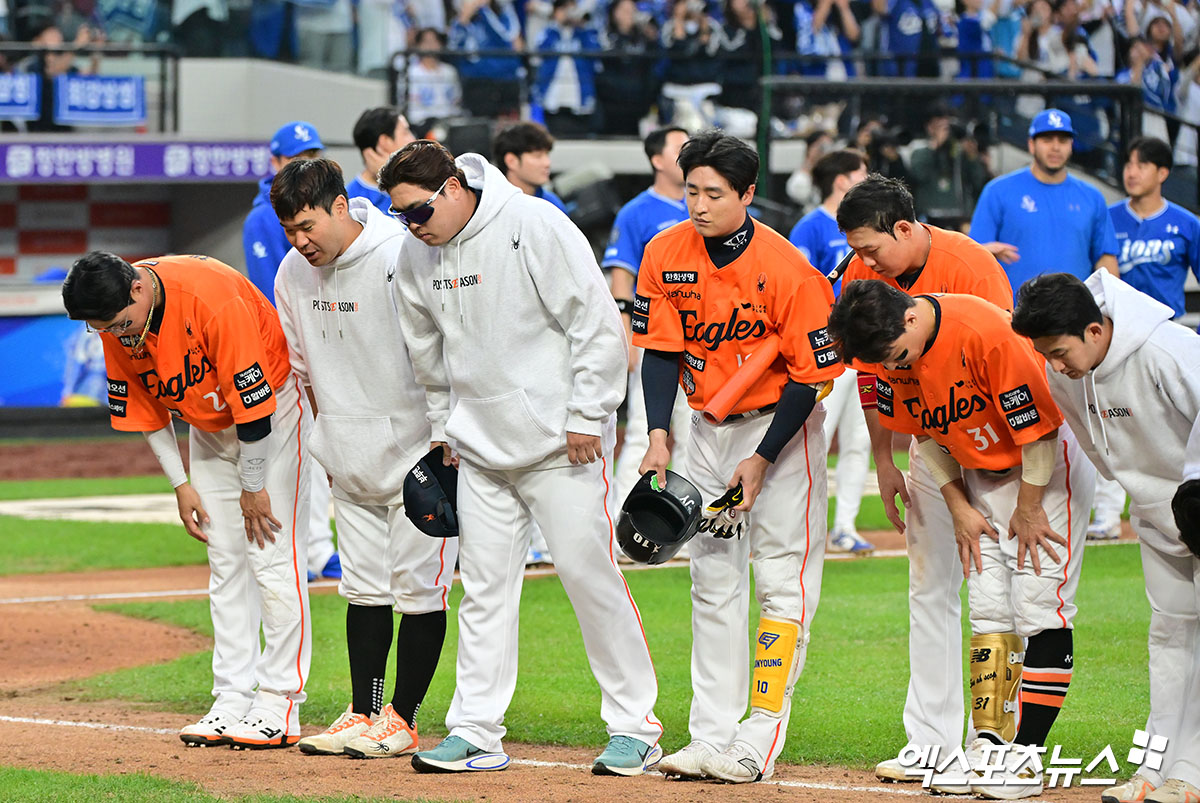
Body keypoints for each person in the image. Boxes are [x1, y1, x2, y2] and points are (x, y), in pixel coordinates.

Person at [377, 139, 663, 776]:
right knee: (481, 590)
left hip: (563, 441)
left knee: (590, 577)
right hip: (478, 446)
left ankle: (635, 726)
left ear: (453, 188)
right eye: (400, 216)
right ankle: (476, 730)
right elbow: (426, 353)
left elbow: (593, 323)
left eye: (418, 212)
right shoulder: (414, 253)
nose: (411, 227)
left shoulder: (532, 223)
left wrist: (590, 414)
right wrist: (441, 428)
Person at [829, 280, 1094, 799]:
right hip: (978, 475)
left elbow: (1038, 430)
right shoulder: (893, 354)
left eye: (892, 357)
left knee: (1039, 606)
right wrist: (958, 506)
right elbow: (925, 434)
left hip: (1042, 473)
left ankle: (1027, 758)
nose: (893, 367)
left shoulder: (983, 332)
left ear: (909, 319)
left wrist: (1030, 506)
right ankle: (990, 743)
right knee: (991, 611)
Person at [635, 129, 843, 783]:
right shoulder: (664, 252)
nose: (698, 204)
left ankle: (758, 736)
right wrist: (658, 434)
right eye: (691, 189)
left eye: (714, 193)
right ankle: (710, 733)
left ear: (748, 194)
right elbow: (662, 349)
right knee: (713, 581)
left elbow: (810, 378)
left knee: (782, 584)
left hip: (784, 432)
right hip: (704, 430)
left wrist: (762, 457)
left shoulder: (788, 269)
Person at [61, 251, 313, 749]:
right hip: (207, 427)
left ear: (137, 289)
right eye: (101, 330)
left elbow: (255, 408)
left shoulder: (210, 297)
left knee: (271, 557)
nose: (114, 335)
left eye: (115, 324)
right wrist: (181, 483)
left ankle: (280, 701)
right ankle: (232, 696)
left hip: (271, 420)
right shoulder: (118, 319)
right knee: (224, 560)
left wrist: (254, 485)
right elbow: (145, 411)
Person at [269, 158, 457, 760]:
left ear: (340, 205)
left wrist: (442, 441)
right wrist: (328, 444)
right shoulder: (293, 273)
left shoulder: (400, 255)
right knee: (363, 591)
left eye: (307, 226)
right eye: (289, 232)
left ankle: (402, 718)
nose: (301, 242)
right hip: (346, 458)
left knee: (419, 592)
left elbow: (443, 352)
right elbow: (301, 372)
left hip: (416, 458)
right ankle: (364, 710)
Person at [833, 175, 1014, 789]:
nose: (864, 261)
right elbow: (872, 378)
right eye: (856, 250)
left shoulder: (970, 267)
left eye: (872, 248)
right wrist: (885, 460)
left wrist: (975, 482)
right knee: (928, 585)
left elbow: (1004, 367)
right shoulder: (867, 282)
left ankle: (997, 748)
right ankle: (931, 743)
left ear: (904, 229)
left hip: (996, 449)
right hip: (929, 443)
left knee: (997, 596)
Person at [1013, 270, 1200, 803]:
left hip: (1198, 505)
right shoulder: (1066, 375)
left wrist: (1197, 488)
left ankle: (1193, 771)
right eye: (1044, 353)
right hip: (1159, 517)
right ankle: (1156, 766)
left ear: (1096, 330)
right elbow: (1101, 451)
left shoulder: (1168, 350)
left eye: (1060, 350)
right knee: (1169, 638)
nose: (1054, 365)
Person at [242, 120, 340, 583]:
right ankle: (315, 551)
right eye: (295, 155)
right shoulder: (263, 216)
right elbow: (269, 294)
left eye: (312, 152)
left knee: (320, 452)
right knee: (308, 454)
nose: (304, 160)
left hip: (322, 347)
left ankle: (317, 548)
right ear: (274, 162)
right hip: (286, 356)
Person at [1091, 137, 1200, 542]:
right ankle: (1105, 514)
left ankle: (1181, 508)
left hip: (1166, 337)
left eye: (1142, 164)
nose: (1131, 171)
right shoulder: (1106, 217)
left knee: (1171, 431)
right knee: (1111, 424)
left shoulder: (1186, 224)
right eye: (1128, 164)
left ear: (1163, 173)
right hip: (1113, 339)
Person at [603, 126, 693, 526]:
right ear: (657, 159)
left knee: (696, 437)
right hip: (655, 338)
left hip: (702, 345)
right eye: (678, 147)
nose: (686, 153)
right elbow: (621, 274)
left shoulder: (701, 206)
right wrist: (627, 334)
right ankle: (623, 520)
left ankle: (690, 523)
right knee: (643, 430)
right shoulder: (638, 210)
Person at [787, 148, 874, 555]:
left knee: (860, 441)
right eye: (861, 171)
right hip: (829, 349)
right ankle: (809, 528)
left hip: (868, 346)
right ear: (841, 180)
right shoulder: (810, 227)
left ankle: (846, 526)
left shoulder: (871, 224)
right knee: (816, 439)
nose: (867, 177)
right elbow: (799, 291)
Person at [969, 108, 1119, 299]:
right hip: (1013, 314)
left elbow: (1106, 259)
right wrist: (985, 253)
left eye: (1062, 141)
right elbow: (975, 253)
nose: (1055, 147)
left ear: (1071, 145)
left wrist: (1110, 309)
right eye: (1047, 140)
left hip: (1074, 316)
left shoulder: (1092, 197)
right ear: (1031, 145)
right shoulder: (998, 191)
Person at [347, 107, 416, 215]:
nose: (413, 139)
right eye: (405, 132)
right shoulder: (352, 204)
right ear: (385, 142)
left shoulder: (418, 183)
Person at [491, 121, 568, 214]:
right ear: (511, 161)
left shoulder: (552, 205)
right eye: (538, 156)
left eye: (547, 155)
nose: (547, 163)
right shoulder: (490, 205)